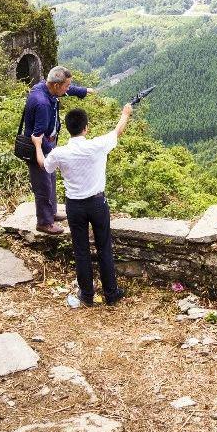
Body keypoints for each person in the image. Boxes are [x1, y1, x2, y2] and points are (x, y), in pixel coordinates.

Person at [44, 104, 134, 306]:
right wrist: (125, 114)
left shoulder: (60, 153)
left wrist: (35, 144)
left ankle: (86, 295)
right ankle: (111, 294)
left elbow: (46, 166)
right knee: (104, 247)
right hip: (97, 203)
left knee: (81, 250)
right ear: (86, 128)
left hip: (74, 206)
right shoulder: (97, 145)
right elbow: (117, 131)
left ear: (68, 128)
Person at [23, 66, 92, 234]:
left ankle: (52, 212)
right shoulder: (42, 103)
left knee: (51, 179)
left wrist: (83, 91)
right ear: (56, 85)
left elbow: (68, 90)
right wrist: (54, 153)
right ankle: (44, 222)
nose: (68, 89)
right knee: (43, 186)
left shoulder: (46, 87)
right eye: (66, 86)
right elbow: (37, 135)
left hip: (49, 145)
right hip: (38, 148)